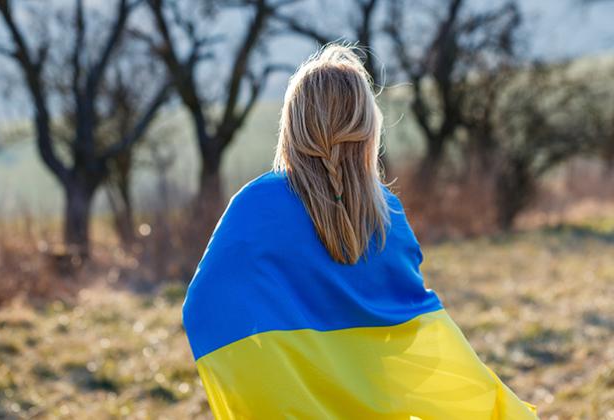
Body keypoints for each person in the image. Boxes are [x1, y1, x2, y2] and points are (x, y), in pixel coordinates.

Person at [182, 44, 538, 419]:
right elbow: (408, 334)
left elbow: (203, 308)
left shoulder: (255, 206)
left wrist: (274, 380)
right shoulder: (387, 215)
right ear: (368, 127)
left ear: (294, 126)